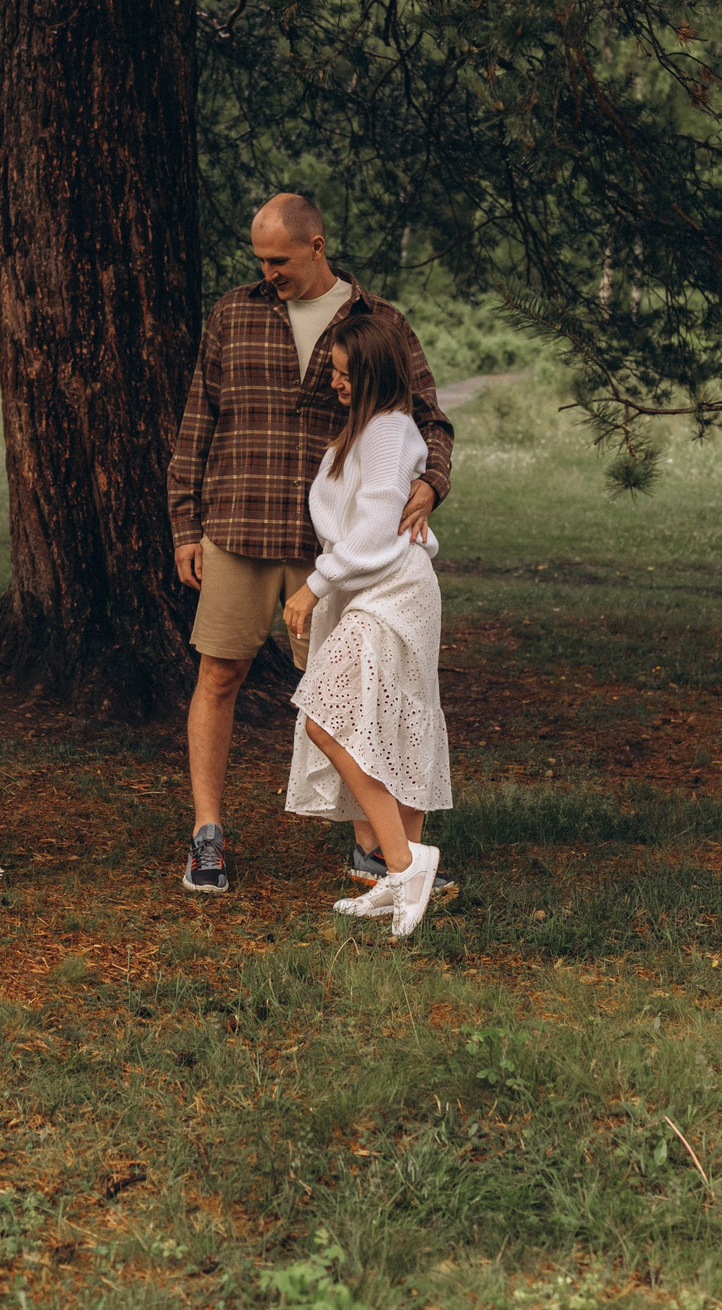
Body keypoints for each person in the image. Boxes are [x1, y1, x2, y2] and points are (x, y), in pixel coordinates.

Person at [166, 192, 452, 894]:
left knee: (354, 695)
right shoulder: (233, 314)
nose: (268, 273)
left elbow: (429, 420)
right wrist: (184, 523)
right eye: (260, 260)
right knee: (218, 676)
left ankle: (374, 848)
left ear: (317, 246)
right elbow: (199, 418)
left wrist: (431, 482)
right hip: (238, 525)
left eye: (280, 260)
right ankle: (207, 836)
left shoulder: (380, 322)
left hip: (336, 551)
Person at [280, 314, 452, 935]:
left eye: (346, 374)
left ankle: (405, 863)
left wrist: (315, 584)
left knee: (328, 717)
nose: (335, 382)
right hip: (370, 590)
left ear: (376, 374)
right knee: (377, 721)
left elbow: (378, 526)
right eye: (334, 371)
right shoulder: (361, 433)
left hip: (393, 591)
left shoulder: (387, 430)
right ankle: (396, 874)